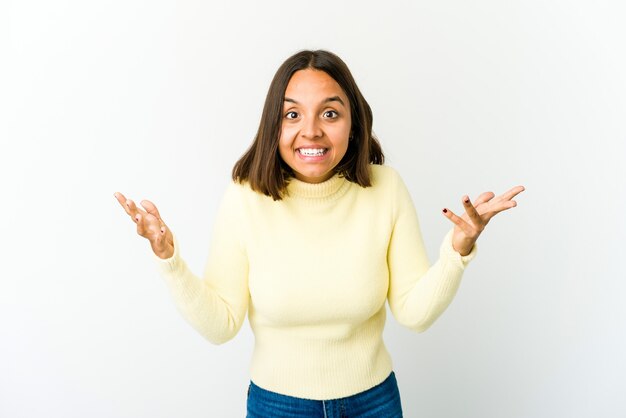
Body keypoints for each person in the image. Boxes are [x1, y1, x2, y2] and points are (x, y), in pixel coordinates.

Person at [114, 49, 524, 417]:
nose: (311, 131)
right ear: (274, 124)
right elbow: (221, 325)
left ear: (353, 122)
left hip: (374, 403)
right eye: (292, 114)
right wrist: (169, 259)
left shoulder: (386, 189)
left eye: (329, 113)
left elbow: (414, 314)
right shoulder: (245, 199)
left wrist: (458, 249)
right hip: (276, 406)